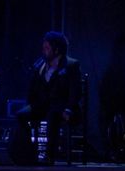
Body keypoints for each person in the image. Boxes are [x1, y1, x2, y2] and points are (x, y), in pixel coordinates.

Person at [18, 31, 83, 162]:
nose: (44, 51)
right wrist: (31, 102)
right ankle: (27, 153)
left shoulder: (71, 65)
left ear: (56, 49)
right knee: (21, 115)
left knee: (53, 116)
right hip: (43, 105)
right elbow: (34, 89)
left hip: (62, 107)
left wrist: (68, 109)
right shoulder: (41, 65)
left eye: (47, 48)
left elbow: (75, 91)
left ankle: (49, 156)